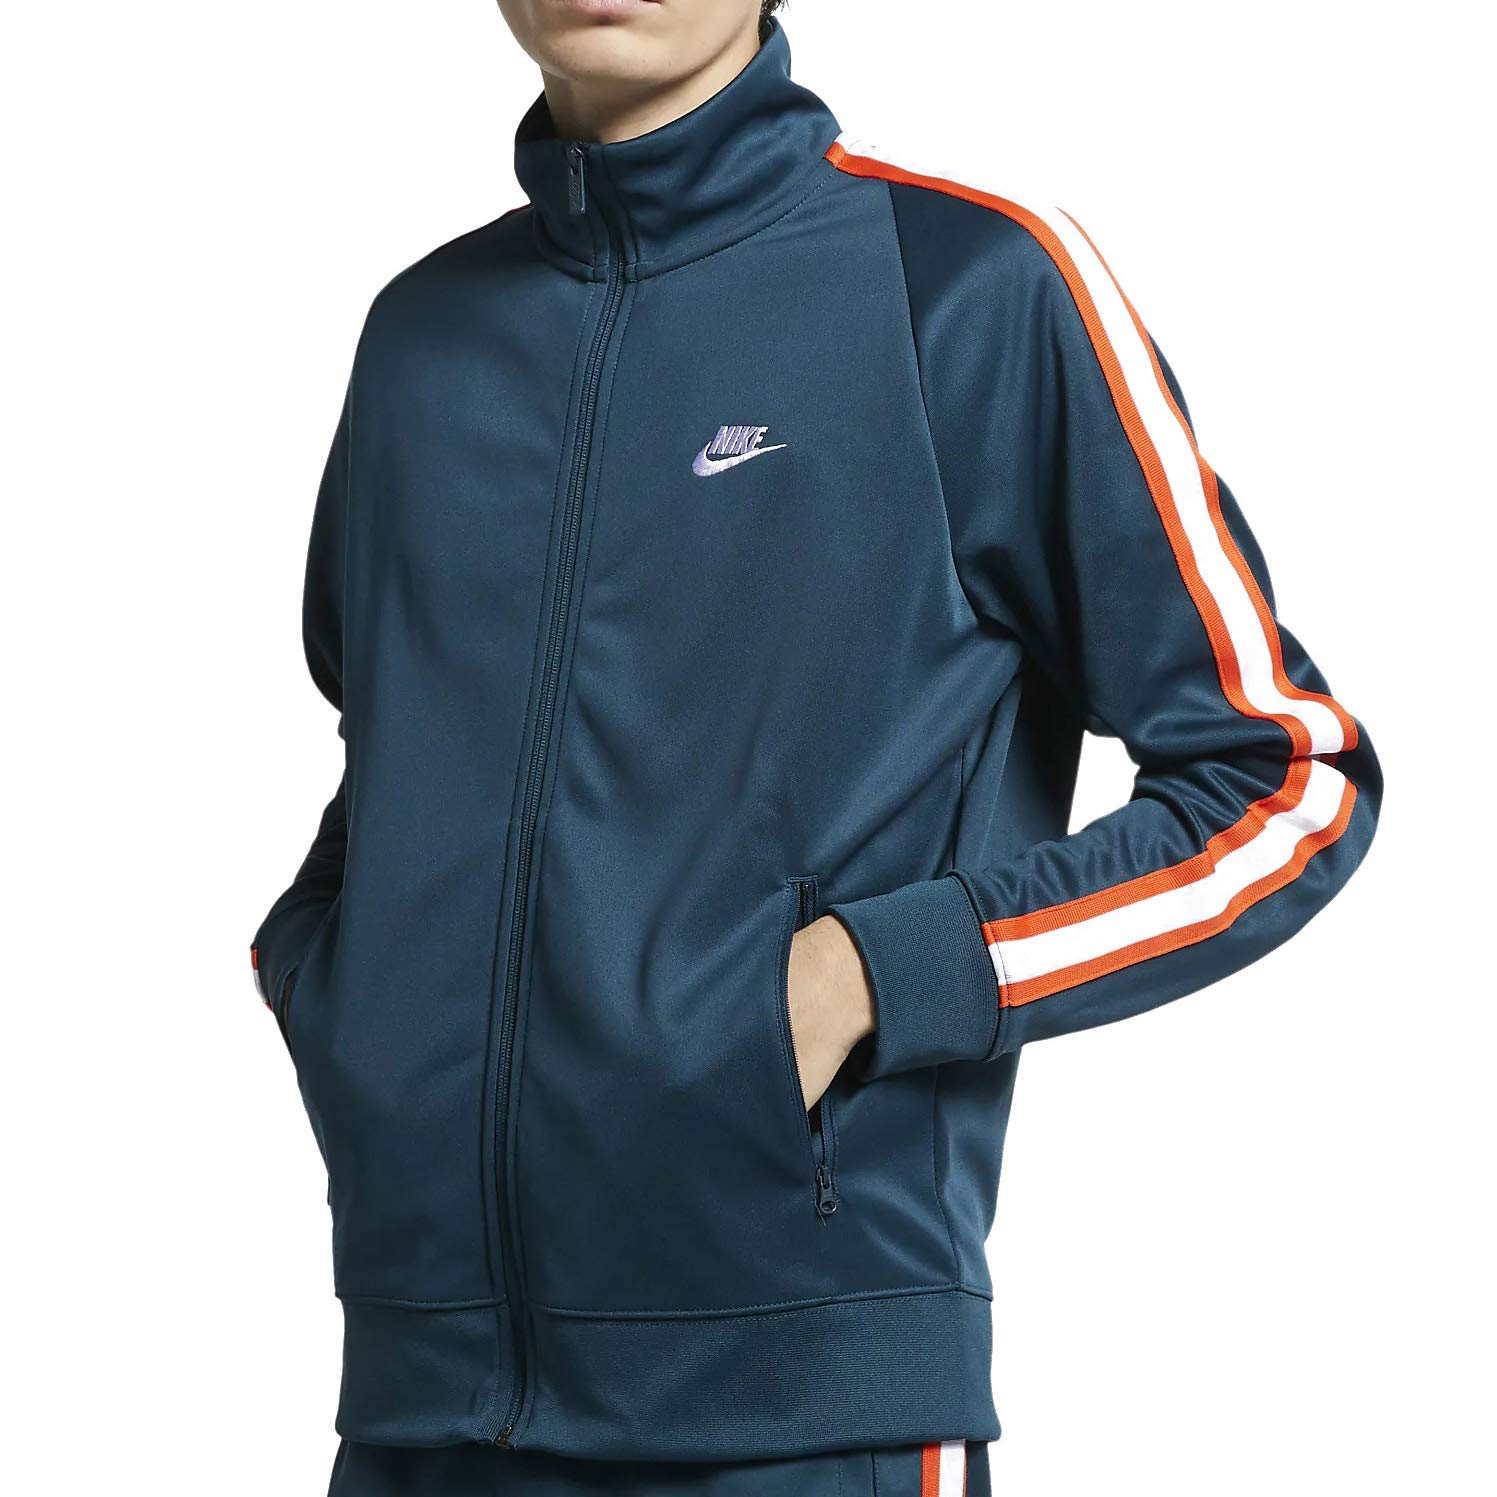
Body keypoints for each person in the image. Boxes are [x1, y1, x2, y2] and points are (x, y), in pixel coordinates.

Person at [249, 2, 1381, 1493]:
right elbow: (395, 748)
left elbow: (1287, 780)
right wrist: (343, 990)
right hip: (422, 1406)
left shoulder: (963, 285)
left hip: (807, 1410)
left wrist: (877, 973)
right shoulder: (424, 339)